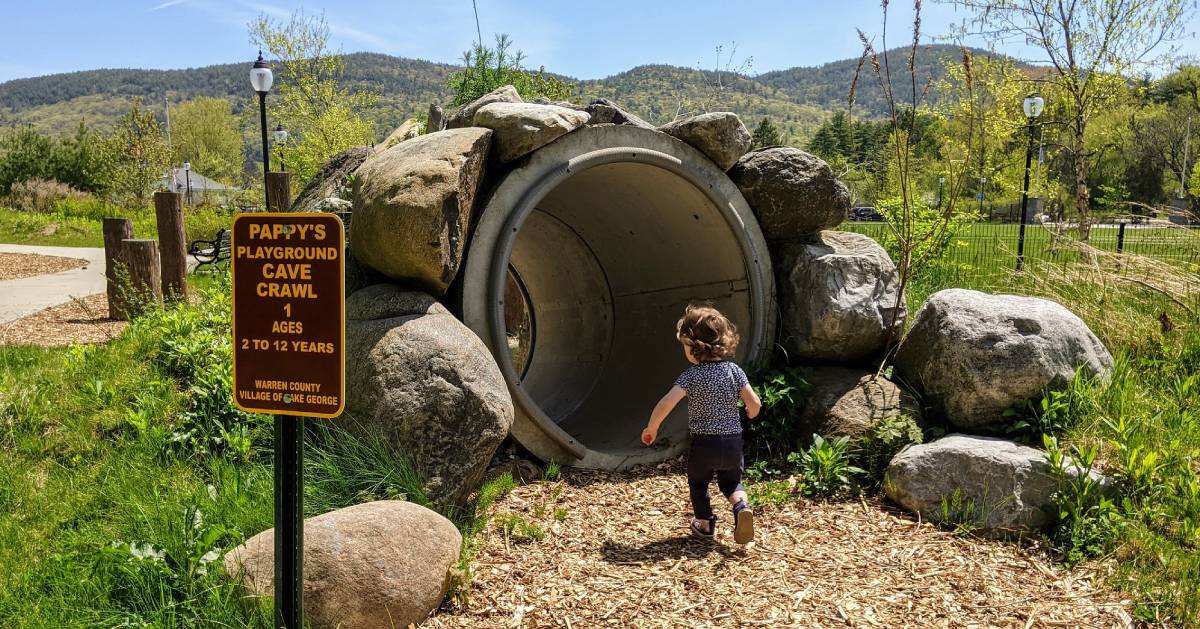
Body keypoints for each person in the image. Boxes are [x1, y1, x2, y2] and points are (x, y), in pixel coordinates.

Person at [641, 304, 762, 543]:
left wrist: (652, 427)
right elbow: (755, 402)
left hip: (704, 443)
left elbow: (667, 403)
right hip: (732, 442)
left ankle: (705, 523)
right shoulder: (733, 371)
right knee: (732, 483)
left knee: (698, 483)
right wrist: (751, 412)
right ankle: (740, 507)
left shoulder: (692, 375)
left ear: (694, 347)